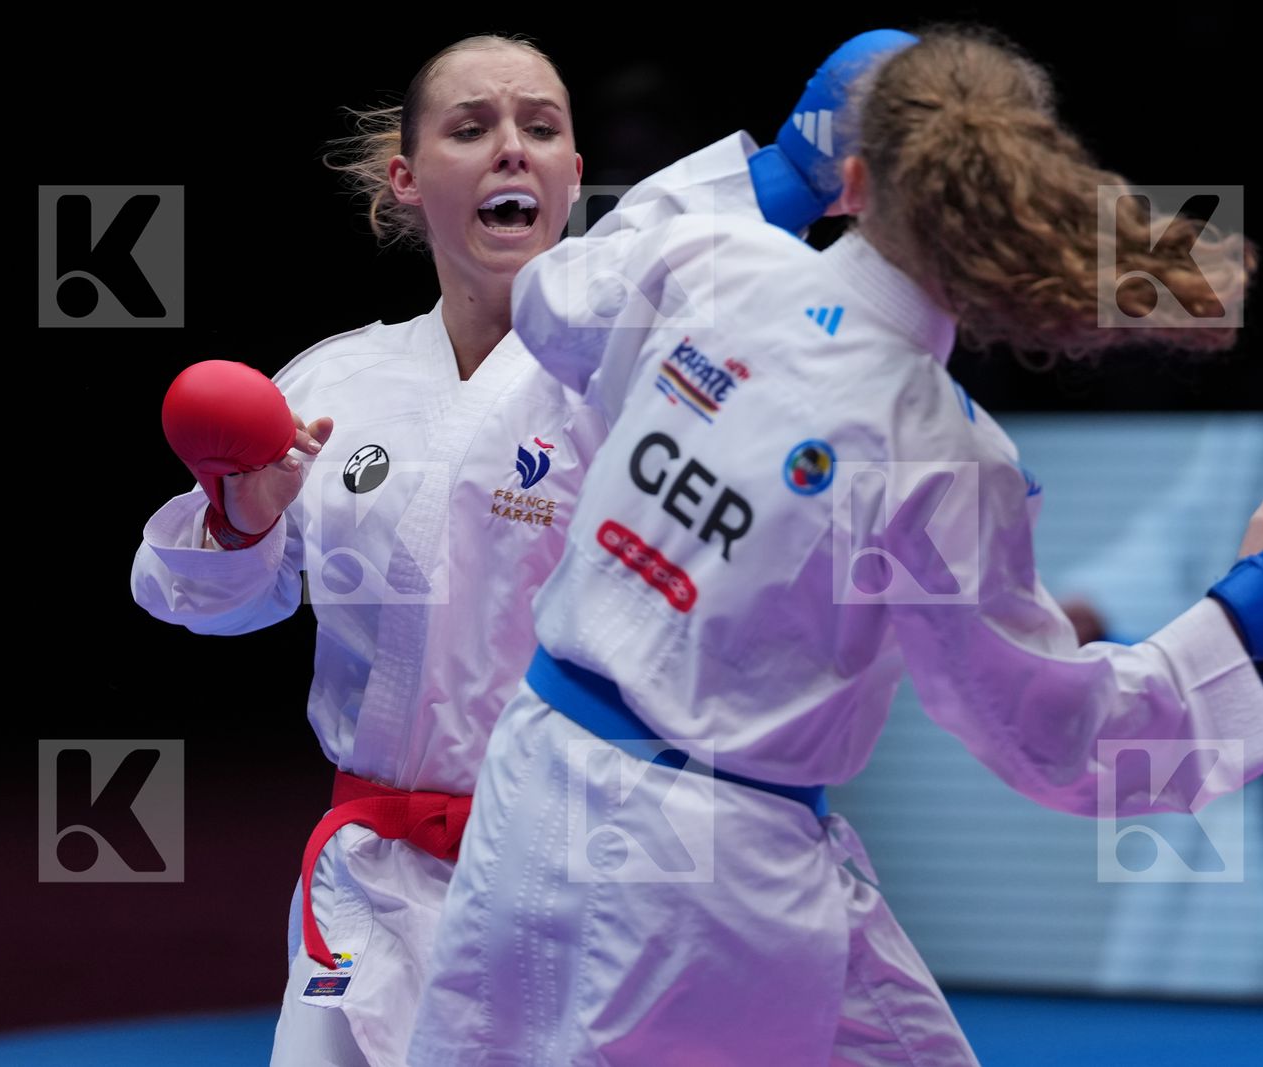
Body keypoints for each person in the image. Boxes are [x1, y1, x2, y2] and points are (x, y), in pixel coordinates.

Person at [407, 26, 1263, 1066]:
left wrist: (778, 173)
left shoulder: (716, 258)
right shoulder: (941, 452)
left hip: (541, 774)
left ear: (854, 180)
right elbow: (1059, 740)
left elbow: (552, 298)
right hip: (711, 878)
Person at [132, 31, 898, 1066]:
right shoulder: (332, 383)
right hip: (378, 881)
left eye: (541, 129)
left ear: (574, 175)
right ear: (406, 178)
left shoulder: (654, 376)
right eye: (471, 127)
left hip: (595, 874)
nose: (511, 149)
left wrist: (790, 181)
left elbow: (679, 261)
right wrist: (243, 513)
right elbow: (209, 601)